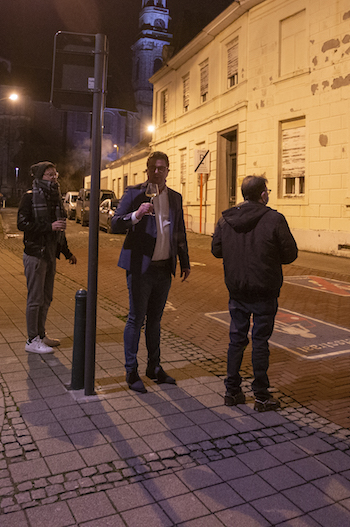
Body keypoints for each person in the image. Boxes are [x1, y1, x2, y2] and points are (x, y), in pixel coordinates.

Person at [211, 176, 298, 412]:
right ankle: (260, 395)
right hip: (264, 289)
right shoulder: (274, 219)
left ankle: (232, 391)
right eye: (267, 191)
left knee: (236, 339)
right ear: (262, 194)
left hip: (237, 289)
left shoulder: (225, 219)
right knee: (260, 341)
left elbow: (216, 251)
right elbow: (290, 254)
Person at [111, 151, 191, 393]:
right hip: (140, 268)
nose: (158, 172)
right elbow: (115, 223)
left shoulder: (175, 198)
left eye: (162, 168)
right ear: (147, 171)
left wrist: (185, 261)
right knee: (136, 318)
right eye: (153, 168)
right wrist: (136, 215)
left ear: (168, 170)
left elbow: (179, 231)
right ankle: (131, 370)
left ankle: (154, 367)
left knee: (155, 321)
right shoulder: (135, 193)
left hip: (163, 268)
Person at [17, 162, 77, 354]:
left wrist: (67, 253)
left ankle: (41, 335)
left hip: (50, 253)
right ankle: (31, 340)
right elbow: (22, 224)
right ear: (40, 177)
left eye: (55, 174)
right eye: (50, 175)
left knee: (47, 297)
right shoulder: (30, 197)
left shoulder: (55, 199)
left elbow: (59, 230)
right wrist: (48, 227)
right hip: (35, 254)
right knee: (35, 298)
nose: (54, 177)